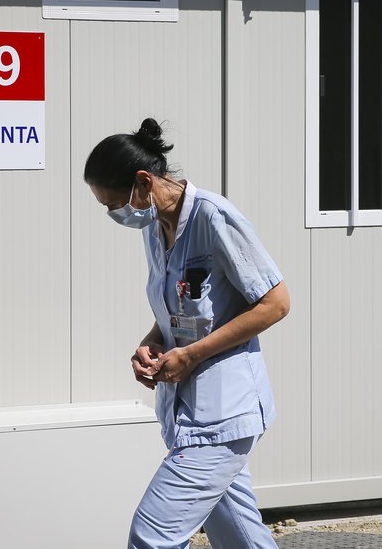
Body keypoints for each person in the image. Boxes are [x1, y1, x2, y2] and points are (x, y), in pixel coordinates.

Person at [84, 118, 290, 549]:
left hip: (223, 412)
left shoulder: (214, 217)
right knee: (240, 537)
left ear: (144, 182)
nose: (113, 213)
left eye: (114, 202)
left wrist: (193, 354)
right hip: (186, 412)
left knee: (152, 536)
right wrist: (153, 341)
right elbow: (179, 308)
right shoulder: (155, 228)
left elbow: (275, 304)